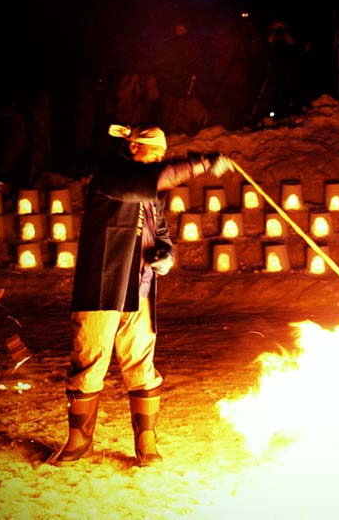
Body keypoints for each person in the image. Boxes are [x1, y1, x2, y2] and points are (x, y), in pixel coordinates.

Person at [51, 123, 234, 467]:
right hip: (103, 288)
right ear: (134, 148)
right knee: (90, 360)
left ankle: (146, 442)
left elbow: (159, 228)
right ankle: (79, 440)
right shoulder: (112, 177)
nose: (161, 159)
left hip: (140, 289)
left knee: (141, 364)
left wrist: (165, 252)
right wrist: (199, 164)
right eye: (156, 153)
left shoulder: (146, 190)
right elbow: (151, 183)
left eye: (164, 154)